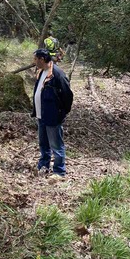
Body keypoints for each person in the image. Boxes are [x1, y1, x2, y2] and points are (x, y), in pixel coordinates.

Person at [32, 49, 73, 178]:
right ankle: (43, 166)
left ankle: (59, 171)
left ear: (42, 59)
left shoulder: (57, 74)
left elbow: (67, 95)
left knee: (56, 145)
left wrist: (61, 112)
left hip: (53, 116)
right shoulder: (41, 72)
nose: (34, 61)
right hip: (41, 115)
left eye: (35, 59)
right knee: (43, 143)